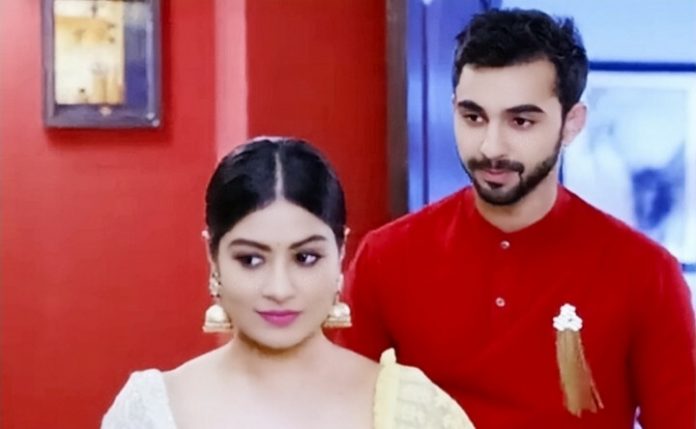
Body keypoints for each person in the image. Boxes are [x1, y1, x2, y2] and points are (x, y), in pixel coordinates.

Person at [336, 8, 696, 429]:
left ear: (572, 123)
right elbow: (343, 412)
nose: (491, 146)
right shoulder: (386, 257)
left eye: (521, 121)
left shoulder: (645, 274)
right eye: (473, 117)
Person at [101, 137, 475, 429]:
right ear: (212, 257)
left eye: (305, 258)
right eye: (251, 260)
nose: (279, 289)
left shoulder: (414, 410)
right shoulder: (152, 411)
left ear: (340, 253)